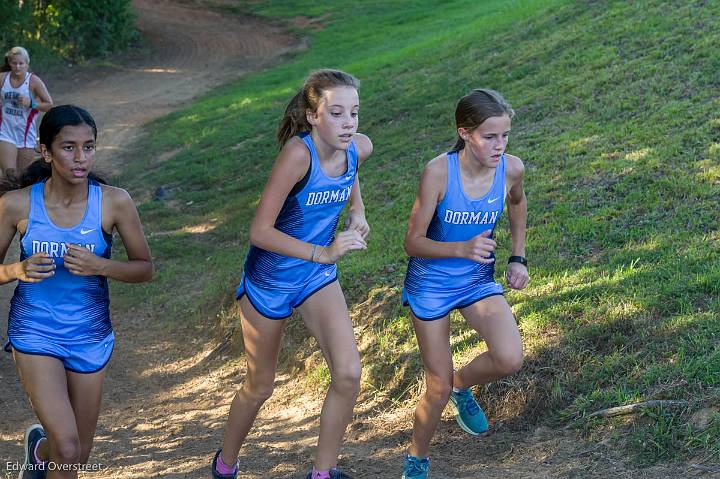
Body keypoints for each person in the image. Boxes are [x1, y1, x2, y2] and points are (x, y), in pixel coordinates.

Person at [212, 69, 373, 479]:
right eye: (336, 113)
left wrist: (358, 210)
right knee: (260, 385)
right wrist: (323, 251)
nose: (348, 123)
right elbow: (259, 231)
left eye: (353, 113)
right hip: (268, 283)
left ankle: (323, 473)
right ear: (313, 115)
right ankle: (224, 466)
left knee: (349, 372)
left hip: (315, 279)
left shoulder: (359, 147)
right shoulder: (298, 156)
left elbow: (352, 167)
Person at [0, 105, 154, 479]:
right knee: (68, 446)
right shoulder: (16, 204)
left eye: (88, 147)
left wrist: (101, 266)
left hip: (89, 335)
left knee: (76, 455)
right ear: (45, 152)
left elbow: (145, 268)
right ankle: (49, 450)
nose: (80, 157)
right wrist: (16, 269)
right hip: (35, 330)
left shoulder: (114, 202)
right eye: (68, 147)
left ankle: (39, 452)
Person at [400, 89, 528, 479]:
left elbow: (517, 204)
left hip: (476, 280)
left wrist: (517, 256)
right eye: (490, 137)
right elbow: (412, 242)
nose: (499, 145)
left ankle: (461, 386)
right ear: (465, 133)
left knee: (509, 358)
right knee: (434, 389)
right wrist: (460, 247)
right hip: (430, 286)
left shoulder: (511, 168)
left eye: (505, 136)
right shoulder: (439, 172)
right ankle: (417, 459)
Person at [0, 46, 53, 183]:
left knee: (23, 178)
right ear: (9, 63)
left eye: (21, 63)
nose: (17, 67)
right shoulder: (2, 78)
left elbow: (49, 105)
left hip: (25, 134)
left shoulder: (33, 81)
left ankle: (20, 202)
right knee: (9, 175)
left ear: (26, 64)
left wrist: (31, 103)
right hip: (5, 132)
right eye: (14, 63)